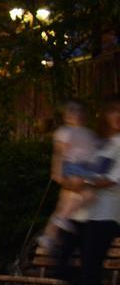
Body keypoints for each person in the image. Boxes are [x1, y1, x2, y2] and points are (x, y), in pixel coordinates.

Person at [61, 98, 120, 285]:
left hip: (107, 215)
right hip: (89, 214)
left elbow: (111, 180)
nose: (117, 116)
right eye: (114, 111)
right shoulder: (104, 143)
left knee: (90, 269)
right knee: (69, 262)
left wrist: (84, 182)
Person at [43, 101, 101, 250]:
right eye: (72, 112)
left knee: (65, 203)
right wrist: (56, 171)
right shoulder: (64, 132)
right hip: (74, 167)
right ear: (66, 117)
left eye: (80, 112)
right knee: (87, 195)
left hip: (85, 168)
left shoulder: (89, 133)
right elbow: (59, 153)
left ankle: (49, 235)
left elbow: (96, 149)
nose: (77, 115)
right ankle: (61, 220)